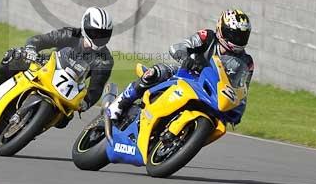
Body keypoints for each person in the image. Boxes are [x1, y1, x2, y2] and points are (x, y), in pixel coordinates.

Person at [107, 9, 254, 127]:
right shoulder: (207, 37)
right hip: (187, 74)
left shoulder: (246, 62)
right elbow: (177, 47)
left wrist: (238, 110)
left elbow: (242, 91)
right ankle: (120, 104)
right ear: (221, 29)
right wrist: (187, 59)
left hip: (212, 93)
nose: (237, 40)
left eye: (242, 36)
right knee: (155, 72)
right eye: (234, 34)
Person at [0, 7, 115, 115]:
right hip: (46, 67)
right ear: (85, 26)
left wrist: (86, 103)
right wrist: (31, 50)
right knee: (15, 56)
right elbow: (40, 40)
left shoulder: (105, 60)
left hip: (68, 89)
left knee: (64, 120)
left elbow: (96, 88)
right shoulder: (71, 34)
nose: (98, 37)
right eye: (95, 32)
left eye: (103, 34)